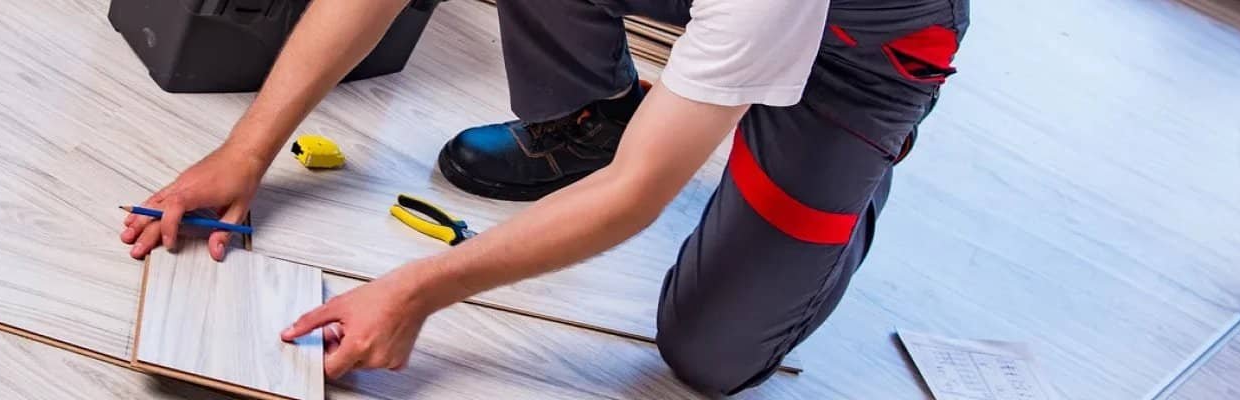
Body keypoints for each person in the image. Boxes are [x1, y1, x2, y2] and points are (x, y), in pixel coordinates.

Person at [120, 0, 967, 394]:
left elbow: (638, 193)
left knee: (709, 357)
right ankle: (593, 113)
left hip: (859, 56)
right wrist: (246, 150)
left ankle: (846, 171)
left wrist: (418, 290)